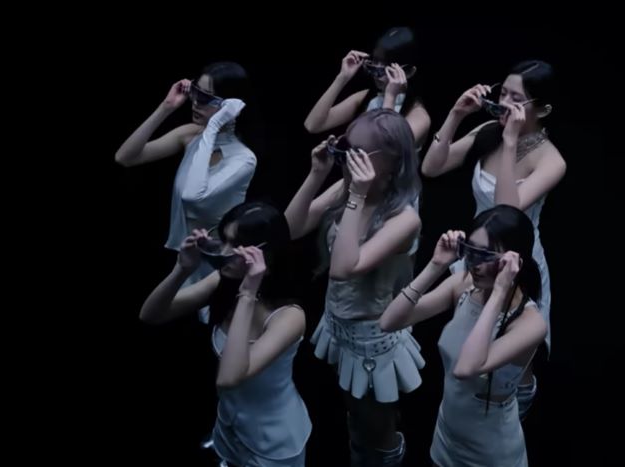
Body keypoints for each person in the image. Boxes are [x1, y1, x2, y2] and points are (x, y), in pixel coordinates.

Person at [421, 60, 566, 416]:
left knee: (511, 350)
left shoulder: (551, 161)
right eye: (503, 93)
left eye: (516, 99)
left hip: (517, 261)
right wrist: (456, 114)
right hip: (478, 250)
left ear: (542, 109)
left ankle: (513, 410)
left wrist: (511, 141)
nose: (504, 104)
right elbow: (431, 167)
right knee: (469, 335)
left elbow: (506, 211)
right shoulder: (489, 130)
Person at [285, 108, 423, 466]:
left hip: (371, 336)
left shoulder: (404, 218)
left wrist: (356, 197)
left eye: (356, 152)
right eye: (344, 147)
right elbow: (291, 228)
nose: (346, 158)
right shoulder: (347, 189)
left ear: (391, 162)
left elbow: (344, 269)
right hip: (339, 321)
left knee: (375, 427)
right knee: (355, 415)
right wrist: (317, 174)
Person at [140, 201, 311, 466]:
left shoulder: (289, 317)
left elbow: (229, 377)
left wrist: (248, 293)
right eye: (224, 241)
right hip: (229, 426)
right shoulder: (225, 282)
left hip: (274, 439)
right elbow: (151, 315)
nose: (223, 252)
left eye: (236, 245)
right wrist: (182, 269)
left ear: (265, 254)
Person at [380, 204, 546, 466]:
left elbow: (466, 368)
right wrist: (435, 266)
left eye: (487, 255)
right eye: (472, 251)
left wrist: (500, 292)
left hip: (491, 453)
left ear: (514, 262)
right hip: (446, 437)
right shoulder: (464, 286)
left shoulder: (530, 323)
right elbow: (389, 321)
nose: (476, 265)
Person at [116, 62, 258, 321]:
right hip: (180, 257)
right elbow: (126, 157)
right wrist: (166, 107)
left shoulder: (244, 159)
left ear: (231, 105)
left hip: (215, 264)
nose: (195, 103)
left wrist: (213, 127)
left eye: (205, 97)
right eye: (195, 92)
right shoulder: (191, 136)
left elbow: (192, 195)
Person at [303, 26, 430, 147]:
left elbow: (383, 148)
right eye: (375, 63)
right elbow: (312, 125)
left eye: (387, 68)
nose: (377, 76)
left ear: (409, 72)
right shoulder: (367, 97)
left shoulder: (419, 116)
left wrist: (390, 97)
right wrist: (342, 78)